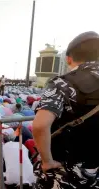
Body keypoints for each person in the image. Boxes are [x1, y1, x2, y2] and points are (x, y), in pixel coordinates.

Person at [32, 31, 99, 188]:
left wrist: (47, 162)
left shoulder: (62, 84)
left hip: (67, 174)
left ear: (69, 59)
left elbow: (40, 125)